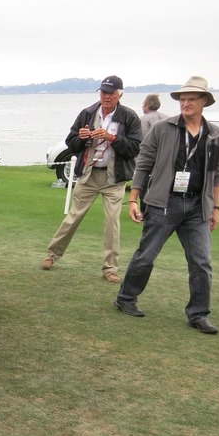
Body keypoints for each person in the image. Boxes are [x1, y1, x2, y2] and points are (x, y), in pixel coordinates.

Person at [114, 76, 219, 334]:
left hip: (198, 207)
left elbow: (216, 174)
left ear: (204, 101)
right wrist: (133, 198)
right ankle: (125, 299)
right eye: (182, 99)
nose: (185, 103)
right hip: (164, 203)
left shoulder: (216, 135)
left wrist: (216, 208)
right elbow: (144, 163)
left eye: (191, 99)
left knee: (201, 262)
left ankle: (198, 314)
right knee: (146, 256)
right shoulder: (162, 128)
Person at [41, 76, 142, 283]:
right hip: (88, 175)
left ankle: (110, 268)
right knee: (73, 217)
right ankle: (52, 255)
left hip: (114, 178)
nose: (106, 96)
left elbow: (134, 147)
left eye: (111, 93)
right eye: (103, 92)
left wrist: (111, 138)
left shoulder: (129, 117)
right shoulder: (87, 113)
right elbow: (71, 143)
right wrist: (83, 137)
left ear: (119, 95)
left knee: (112, 223)